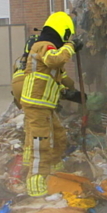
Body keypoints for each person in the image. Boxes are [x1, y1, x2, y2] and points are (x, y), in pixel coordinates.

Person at [19, 12, 82, 197]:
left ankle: (54, 169)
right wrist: (71, 46)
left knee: (58, 135)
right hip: (37, 103)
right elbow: (54, 60)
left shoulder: (46, 47)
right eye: (67, 36)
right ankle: (36, 185)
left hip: (42, 104)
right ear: (62, 31)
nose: (67, 39)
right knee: (41, 144)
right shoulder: (44, 45)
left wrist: (72, 93)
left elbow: (53, 76)